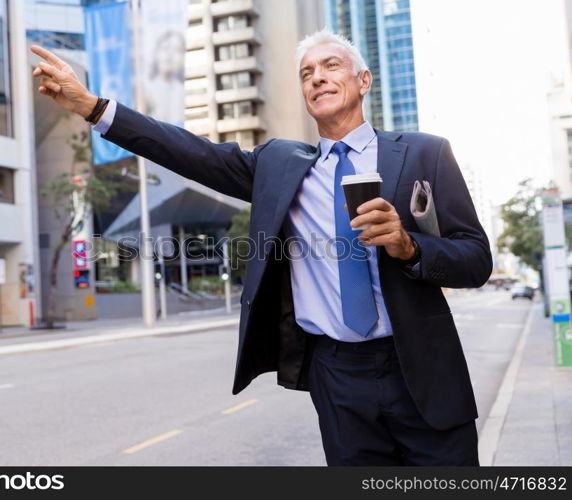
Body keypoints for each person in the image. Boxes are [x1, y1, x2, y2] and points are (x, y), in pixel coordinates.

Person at [30, 29, 492, 466]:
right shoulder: (279, 165)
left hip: (422, 367)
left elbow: (475, 260)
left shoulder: (424, 153)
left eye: (331, 65)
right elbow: (187, 150)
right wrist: (92, 107)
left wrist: (409, 247)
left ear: (363, 80)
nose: (317, 77)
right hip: (337, 375)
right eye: (306, 73)